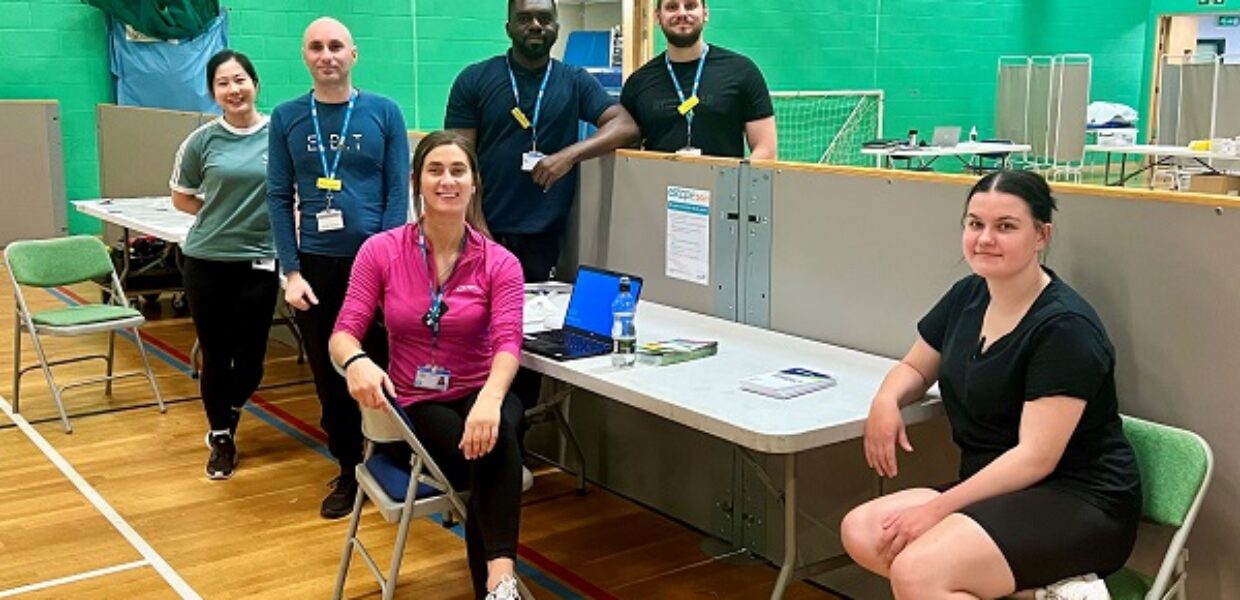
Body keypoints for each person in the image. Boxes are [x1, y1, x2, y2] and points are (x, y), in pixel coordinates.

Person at [839, 170, 1141, 600]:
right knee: (865, 531)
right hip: (997, 491)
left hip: (1078, 500)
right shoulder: (969, 294)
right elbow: (915, 366)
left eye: (1006, 227)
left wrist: (936, 511)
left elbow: (1035, 459)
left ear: (1041, 235)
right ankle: (1045, 595)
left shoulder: (1064, 328)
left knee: (917, 572)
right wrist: (886, 400)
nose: (984, 239)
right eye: (975, 223)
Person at [329, 131, 527, 600]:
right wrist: (355, 360)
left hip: (482, 389)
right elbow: (343, 331)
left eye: (458, 171)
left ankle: (498, 581)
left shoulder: (499, 262)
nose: (447, 181)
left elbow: (508, 340)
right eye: (435, 170)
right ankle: (502, 586)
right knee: (492, 454)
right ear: (417, 180)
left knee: (495, 432)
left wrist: (490, 400)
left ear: (474, 183)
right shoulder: (380, 251)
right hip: (417, 399)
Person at [267, 16, 410, 519]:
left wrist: (390, 262)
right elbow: (279, 196)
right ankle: (349, 468)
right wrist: (291, 271)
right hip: (317, 270)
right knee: (333, 376)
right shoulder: (287, 118)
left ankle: (392, 459)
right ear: (305, 57)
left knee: (387, 366)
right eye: (316, 47)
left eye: (336, 46)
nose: (326, 55)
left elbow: (397, 193)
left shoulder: (384, 113)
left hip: (378, 267)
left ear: (354, 55)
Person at [445, 0, 638, 284]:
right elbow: (457, 163)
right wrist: (479, 232)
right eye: (524, 18)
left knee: (536, 324)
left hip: (546, 238)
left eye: (544, 18)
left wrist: (568, 156)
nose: (535, 25)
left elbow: (626, 125)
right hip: (482, 231)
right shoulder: (474, 80)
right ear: (508, 28)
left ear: (557, 28)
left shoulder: (574, 81)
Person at [170, 49, 275, 480]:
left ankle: (228, 411)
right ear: (214, 92)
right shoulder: (201, 141)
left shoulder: (280, 133)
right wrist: (221, 218)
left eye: (240, 80)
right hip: (207, 260)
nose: (234, 90)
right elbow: (182, 197)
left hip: (261, 260)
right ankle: (220, 438)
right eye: (223, 83)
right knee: (216, 355)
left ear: (255, 83)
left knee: (250, 360)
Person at [620, 0, 776, 159]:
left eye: (690, 6)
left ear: (705, 14)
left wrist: (737, 183)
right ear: (658, 16)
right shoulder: (637, 83)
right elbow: (626, 155)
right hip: (659, 182)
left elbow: (765, 149)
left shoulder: (742, 72)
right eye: (672, 7)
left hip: (724, 183)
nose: (682, 13)